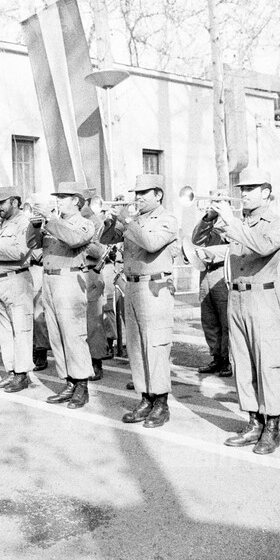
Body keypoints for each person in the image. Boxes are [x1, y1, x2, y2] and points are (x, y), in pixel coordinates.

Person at [210, 170, 280, 454]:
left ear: (266, 192)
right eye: (242, 189)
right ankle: (253, 421)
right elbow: (200, 239)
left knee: (268, 363)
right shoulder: (240, 222)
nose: (243, 193)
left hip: (263, 297)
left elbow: (262, 245)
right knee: (243, 364)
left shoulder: (278, 222)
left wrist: (231, 222)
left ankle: (272, 427)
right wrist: (210, 217)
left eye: (251, 189)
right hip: (237, 298)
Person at [100, 174, 179, 427]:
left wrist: (126, 220)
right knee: (136, 346)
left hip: (154, 287)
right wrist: (112, 222)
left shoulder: (167, 219)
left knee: (155, 345)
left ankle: (161, 403)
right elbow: (106, 239)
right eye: (137, 193)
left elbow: (150, 242)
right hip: (132, 287)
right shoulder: (135, 220)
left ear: (159, 195)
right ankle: (145, 397)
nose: (138, 197)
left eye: (145, 193)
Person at [28, 182, 95, 408]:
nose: (58, 201)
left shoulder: (84, 224)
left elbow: (74, 240)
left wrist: (51, 220)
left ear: (76, 200)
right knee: (56, 334)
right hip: (49, 279)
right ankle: (68, 381)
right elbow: (31, 245)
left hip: (69, 279)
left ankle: (81, 385)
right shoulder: (53, 223)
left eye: (63, 197)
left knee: (73, 334)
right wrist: (36, 226)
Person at [0, 186, 33, 392]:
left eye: (2, 203)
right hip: (0, 280)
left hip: (16, 280)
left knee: (21, 330)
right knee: (5, 332)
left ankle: (22, 374)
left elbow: (20, 251)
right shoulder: (4, 224)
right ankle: (11, 371)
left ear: (15, 202)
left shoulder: (25, 223)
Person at [190, 190, 233, 378]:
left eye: (218, 200)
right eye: (213, 199)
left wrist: (224, 219)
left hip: (222, 273)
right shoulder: (209, 223)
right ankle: (216, 357)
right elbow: (196, 240)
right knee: (209, 319)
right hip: (205, 272)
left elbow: (233, 245)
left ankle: (228, 360)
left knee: (225, 320)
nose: (214, 203)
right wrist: (208, 218)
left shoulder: (232, 221)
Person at [82, 188, 112, 381]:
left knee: (93, 323)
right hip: (76, 273)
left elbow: (100, 250)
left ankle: (96, 362)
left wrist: (77, 240)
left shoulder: (95, 222)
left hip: (91, 273)